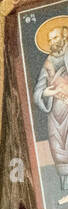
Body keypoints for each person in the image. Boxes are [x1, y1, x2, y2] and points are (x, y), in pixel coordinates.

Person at [33, 22, 68, 194]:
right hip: (55, 113)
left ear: (64, 36)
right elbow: (38, 91)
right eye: (49, 39)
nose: (51, 42)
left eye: (54, 37)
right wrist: (46, 92)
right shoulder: (48, 62)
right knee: (58, 145)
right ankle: (66, 186)